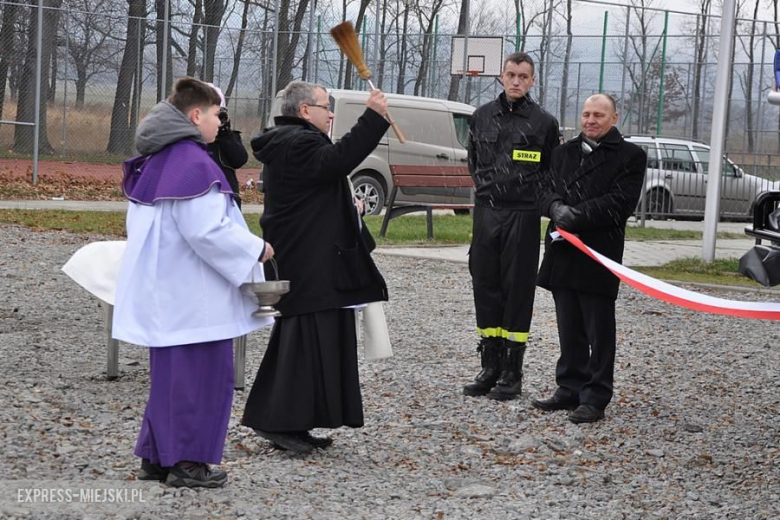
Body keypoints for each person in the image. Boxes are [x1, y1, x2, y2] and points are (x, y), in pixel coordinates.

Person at [113, 77, 275, 487]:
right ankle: (189, 462)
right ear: (195, 115)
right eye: (218, 115)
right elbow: (207, 231)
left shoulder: (160, 160)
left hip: (169, 293)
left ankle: (157, 457)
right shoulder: (193, 162)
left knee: (170, 381)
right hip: (195, 299)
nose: (221, 123)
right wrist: (255, 249)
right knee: (202, 381)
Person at [241, 82, 390, 453]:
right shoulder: (297, 142)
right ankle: (276, 421)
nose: (331, 113)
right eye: (326, 106)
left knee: (315, 340)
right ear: (305, 110)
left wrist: (345, 205)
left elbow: (319, 183)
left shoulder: (294, 141)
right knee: (302, 342)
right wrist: (372, 116)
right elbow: (336, 162)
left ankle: (297, 420)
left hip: (315, 254)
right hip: (307, 257)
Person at [532, 94, 646, 424]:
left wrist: (575, 215)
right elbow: (545, 188)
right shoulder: (563, 153)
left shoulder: (630, 156)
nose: (590, 120)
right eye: (586, 114)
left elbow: (619, 203)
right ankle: (569, 387)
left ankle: (596, 395)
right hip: (563, 251)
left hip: (598, 252)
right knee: (569, 327)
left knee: (599, 329)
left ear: (614, 118)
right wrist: (554, 208)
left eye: (598, 114)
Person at [462, 52, 561, 401]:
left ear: (532, 81)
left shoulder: (544, 123)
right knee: (485, 283)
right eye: (510, 74)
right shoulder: (481, 116)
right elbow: (474, 162)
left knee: (517, 290)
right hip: (488, 211)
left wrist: (528, 199)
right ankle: (489, 366)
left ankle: (512, 371)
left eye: (523, 76)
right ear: (501, 78)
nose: (516, 81)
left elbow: (551, 170)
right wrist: (490, 192)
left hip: (523, 213)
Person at [207, 83, 249, 209]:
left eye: (219, 114)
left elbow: (239, 160)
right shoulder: (189, 141)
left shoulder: (228, 138)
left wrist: (225, 134)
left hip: (227, 197)